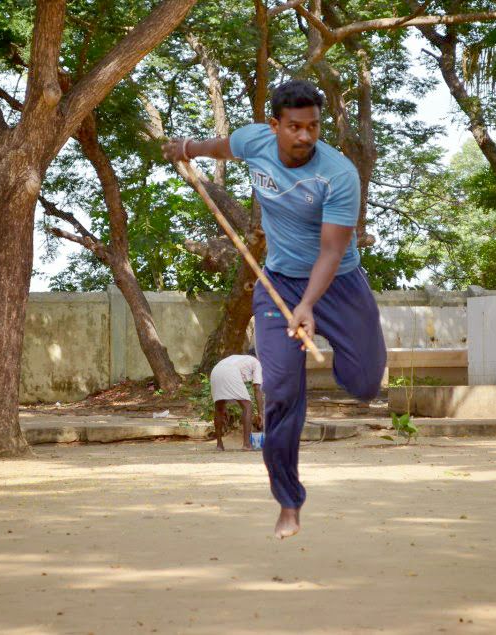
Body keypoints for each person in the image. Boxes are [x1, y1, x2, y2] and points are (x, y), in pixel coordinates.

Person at [163, 79, 387, 539]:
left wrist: (308, 305)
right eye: (295, 127)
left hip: (339, 285)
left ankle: (344, 354)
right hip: (277, 283)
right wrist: (185, 147)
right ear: (275, 126)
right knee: (281, 392)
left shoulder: (339, 175)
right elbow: (219, 145)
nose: (305, 136)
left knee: (365, 383)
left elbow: (330, 251)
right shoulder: (255, 140)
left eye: (313, 127)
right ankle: (288, 501)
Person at [209, 353, 264, 451]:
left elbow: (226, 376)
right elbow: (257, 388)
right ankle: (247, 445)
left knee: (219, 408)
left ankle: (219, 445)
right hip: (231, 371)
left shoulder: (238, 359)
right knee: (247, 406)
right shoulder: (257, 363)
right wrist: (260, 413)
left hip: (215, 370)